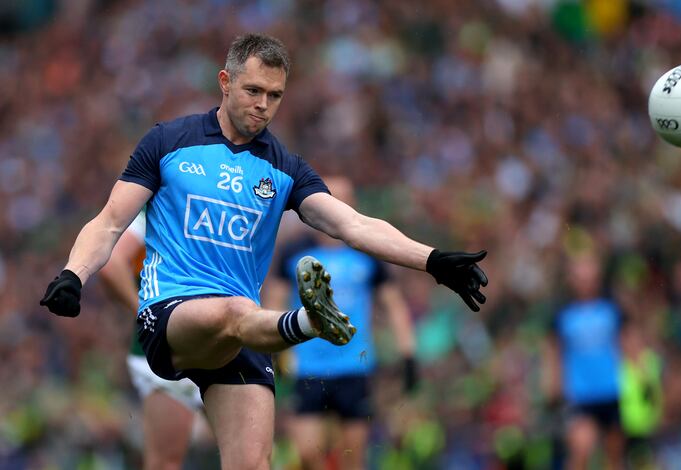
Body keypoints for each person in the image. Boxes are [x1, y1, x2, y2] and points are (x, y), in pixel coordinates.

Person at [39, 33, 487, 470]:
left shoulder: (284, 168)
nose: (263, 105)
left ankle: (304, 321)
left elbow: (352, 224)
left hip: (246, 330)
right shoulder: (168, 142)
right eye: (254, 90)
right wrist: (73, 274)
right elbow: (110, 221)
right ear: (225, 81)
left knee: (253, 462)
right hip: (172, 313)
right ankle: (310, 321)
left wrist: (431, 260)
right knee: (226, 324)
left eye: (275, 96)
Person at [265, 176, 417, 470]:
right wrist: (274, 350)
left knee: (352, 459)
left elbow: (393, 304)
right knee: (307, 457)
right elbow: (274, 302)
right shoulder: (294, 251)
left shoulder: (368, 253)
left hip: (354, 367)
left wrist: (408, 354)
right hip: (307, 368)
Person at [98, 210, 205, 470]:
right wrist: (149, 315)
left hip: (207, 341)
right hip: (178, 349)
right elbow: (112, 265)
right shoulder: (158, 204)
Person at [543, 251, 625, 470]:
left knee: (614, 455)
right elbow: (553, 351)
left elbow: (627, 345)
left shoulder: (611, 309)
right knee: (581, 449)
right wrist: (553, 384)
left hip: (611, 390)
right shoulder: (563, 315)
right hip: (580, 395)